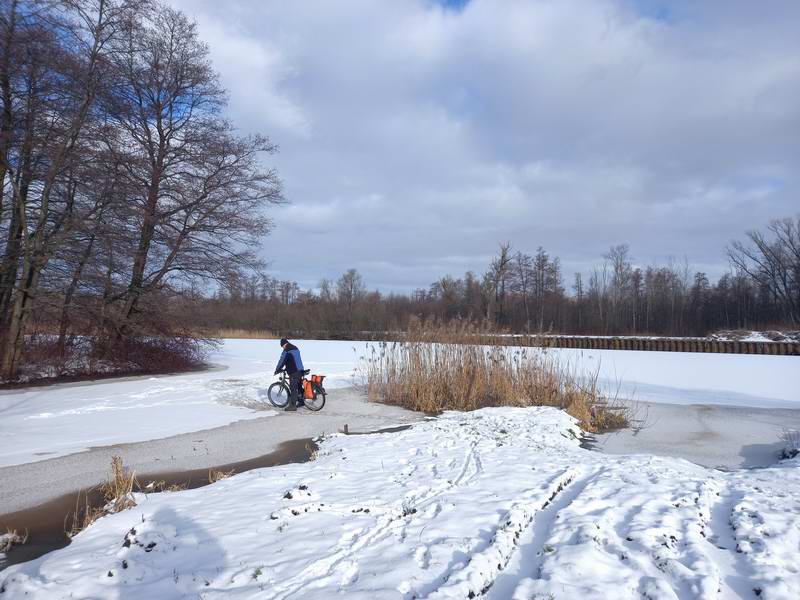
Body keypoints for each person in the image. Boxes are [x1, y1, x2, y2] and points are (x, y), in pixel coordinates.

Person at [274, 338, 305, 411]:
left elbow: (282, 361)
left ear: (284, 344)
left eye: (282, 346)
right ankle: (301, 401)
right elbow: (293, 359)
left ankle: (293, 406)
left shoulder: (287, 350)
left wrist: (277, 369)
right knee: (299, 386)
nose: (282, 348)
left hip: (294, 371)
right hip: (300, 370)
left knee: (293, 388)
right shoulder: (295, 347)